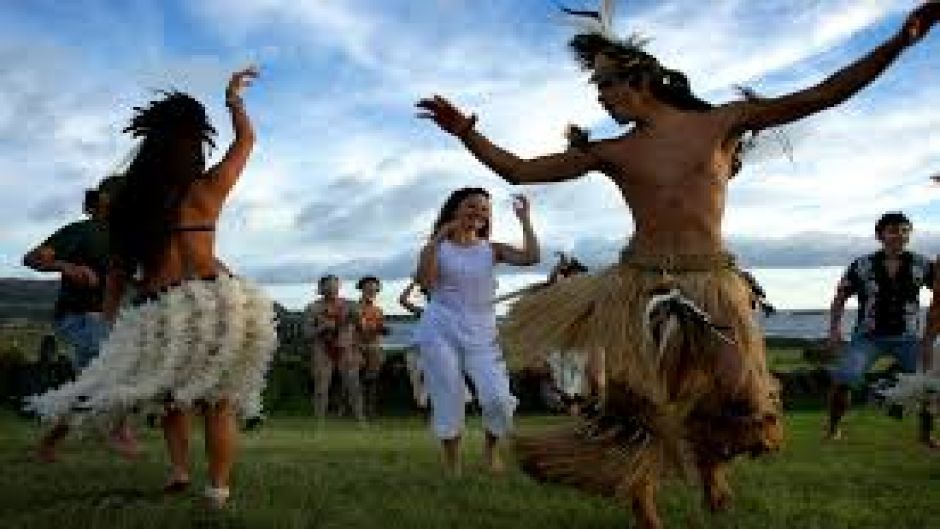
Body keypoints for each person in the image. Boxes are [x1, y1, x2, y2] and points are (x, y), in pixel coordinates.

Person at [417, 2, 940, 526]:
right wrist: (466, 131)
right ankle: (644, 506)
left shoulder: (721, 123)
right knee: (635, 405)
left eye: (605, 85)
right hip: (639, 289)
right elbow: (520, 169)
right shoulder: (614, 152)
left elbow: (822, 95)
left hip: (712, 283)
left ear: (639, 79)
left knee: (741, 398)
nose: (599, 97)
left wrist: (899, 43)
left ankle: (709, 461)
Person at [27, 68, 277, 508]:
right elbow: (246, 143)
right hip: (218, 299)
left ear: (149, 146)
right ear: (196, 142)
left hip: (162, 307)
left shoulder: (129, 208)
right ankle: (217, 490)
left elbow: (120, 275)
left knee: (172, 399)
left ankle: (180, 471)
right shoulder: (206, 190)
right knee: (218, 401)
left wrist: (109, 323)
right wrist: (234, 99)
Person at [414, 188, 538, 475]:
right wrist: (438, 239)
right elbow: (428, 283)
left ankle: (490, 450)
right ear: (455, 210)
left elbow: (532, 257)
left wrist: (525, 219)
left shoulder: (491, 250)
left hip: (483, 331)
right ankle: (452, 463)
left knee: (498, 398)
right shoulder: (436, 248)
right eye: (472, 207)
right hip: (440, 327)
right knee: (448, 393)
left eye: (484, 210)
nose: (478, 213)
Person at [22, 177, 138, 461]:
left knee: (91, 383)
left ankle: (49, 444)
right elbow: (32, 258)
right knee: (107, 369)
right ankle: (118, 429)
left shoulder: (127, 239)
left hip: (109, 319)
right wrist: (67, 266)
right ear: (104, 200)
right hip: (77, 318)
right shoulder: (80, 231)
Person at [827, 212, 936, 443]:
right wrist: (834, 329)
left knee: (929, 382)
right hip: (868, 337)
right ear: (881, 235)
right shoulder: (862, 264)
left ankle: (926, 435)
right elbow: (840, 297)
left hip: (908, 337)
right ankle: (833, 428)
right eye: (894, 230)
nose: (900, 235)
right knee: (845, 377)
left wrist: (930, 335)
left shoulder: (923, 264)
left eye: (905, 230)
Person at [303, 275, 365, 424]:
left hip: (346, 349)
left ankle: (360, 419)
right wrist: (322, 327)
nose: (332, 288)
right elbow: (306, 333)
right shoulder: (312, 307)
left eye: (335, 285)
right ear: (321, 288)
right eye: (328, 285)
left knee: (353, 386)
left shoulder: (351, 305)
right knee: (321, 387)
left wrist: (358, 319)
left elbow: (362, 328)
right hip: (322, 350)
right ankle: (319, 422)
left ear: (339, 286)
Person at [355, 275, 389, 419]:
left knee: (373, 375)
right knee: (359, 373)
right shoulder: (354, 308)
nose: (371, 291)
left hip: (373, 346)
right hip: (356, 346)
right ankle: (358, 407)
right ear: (362, 289)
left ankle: (370, 408)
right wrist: (377, 329)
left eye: (374, 289)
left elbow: (378, 329)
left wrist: (382, 330)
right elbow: (360, 328)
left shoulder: (378, 310)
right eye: (368, 288)